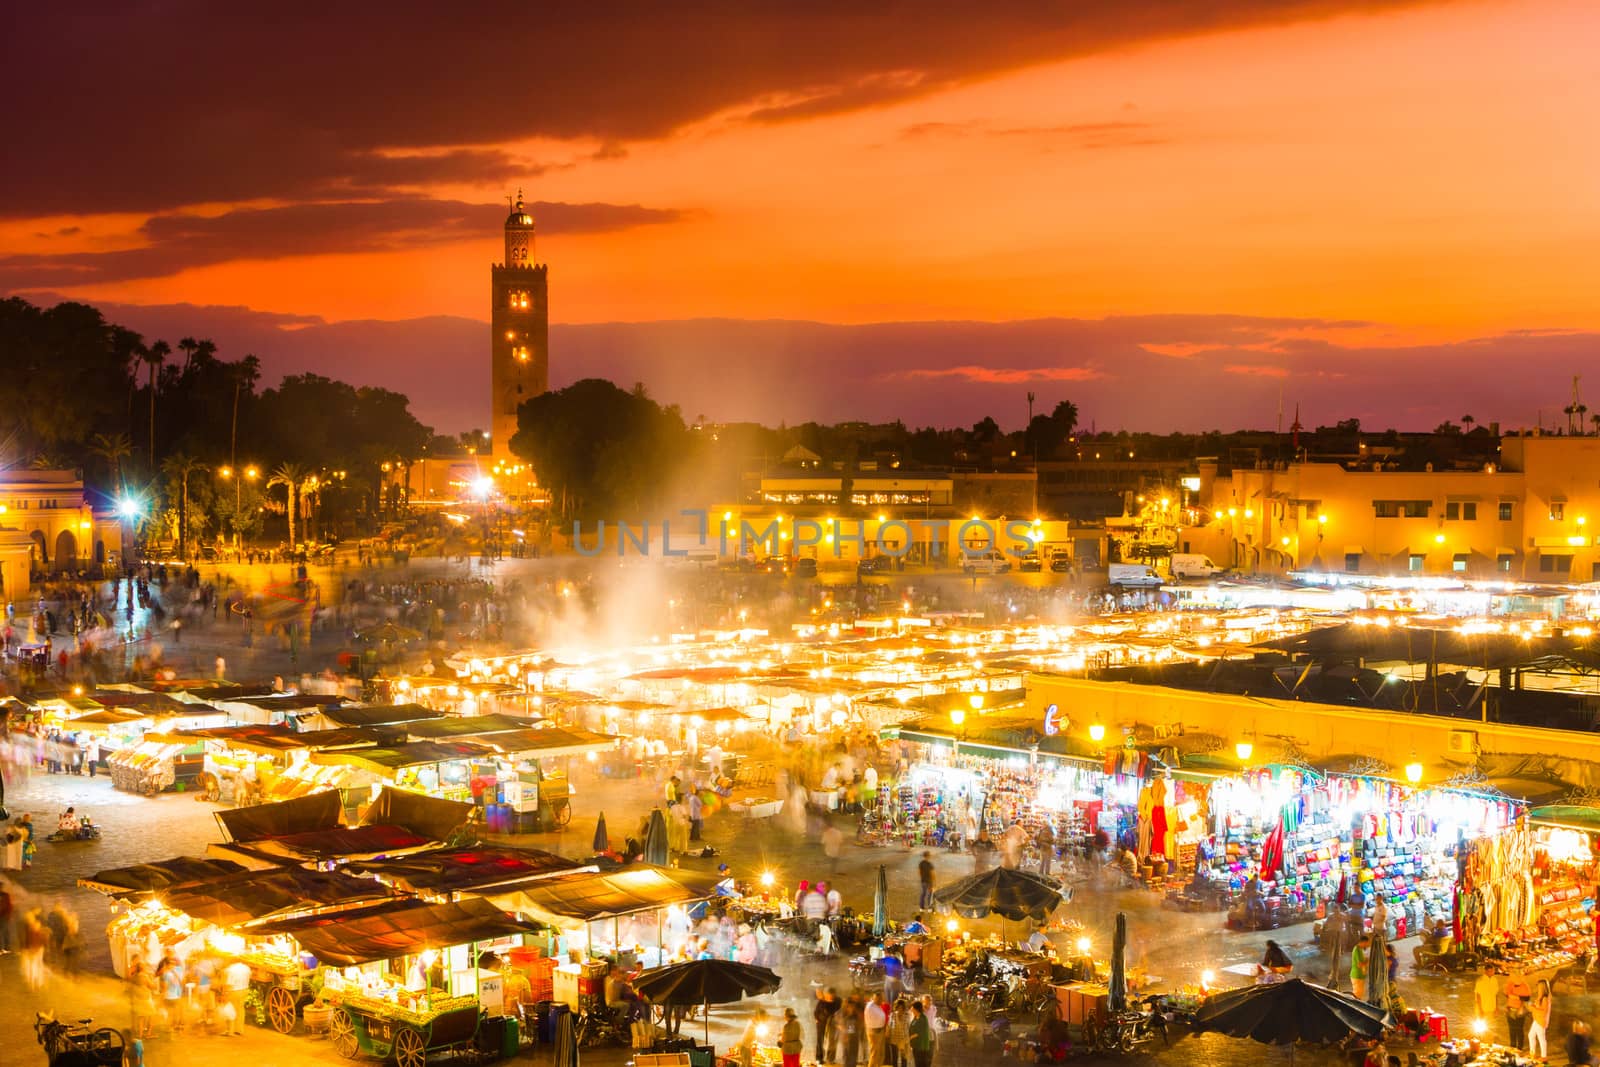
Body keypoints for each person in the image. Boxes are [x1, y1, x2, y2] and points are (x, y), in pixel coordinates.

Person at [222, 956, 252, 1036]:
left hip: (234, 991)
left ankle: (230, 1031)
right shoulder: (247, 968)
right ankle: (239, 1030)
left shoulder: (230, 970)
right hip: (244, 990)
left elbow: (228, 983)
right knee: (241, 1010)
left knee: (231, 1010)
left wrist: (225, 994)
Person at [1504, 974, 1532, 1050]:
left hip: (1520, 1011)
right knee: (1511, 1029)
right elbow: (1507, 994)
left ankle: (1519, 1047)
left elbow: (1527, 998)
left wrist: (1515, 997)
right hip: (1510, 1009)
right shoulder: (1510, 984)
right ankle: (1512, 1046)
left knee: (1519, 1029)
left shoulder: (1525, 986)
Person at [815, 987, 841, 1063]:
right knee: (820, 1040)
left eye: (832, 995)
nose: (831, 997)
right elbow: (816, 1012)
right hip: (821, 1023)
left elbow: (839, 1011)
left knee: (833, 1040)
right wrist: (817, 1019)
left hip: (834, 1023)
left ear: (835, 995)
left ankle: (831, 1058)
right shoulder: (822, 1001)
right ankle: (819, 1058)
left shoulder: (838, 1001)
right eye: (829, 995)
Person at [1529, 978, 1552, 1060]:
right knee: (1531, 1035)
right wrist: (1533, 1006)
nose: (1537, 987)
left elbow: (1544, 1011)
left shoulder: (1545, 998)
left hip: (1541, 1020)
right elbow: (1538, 1007)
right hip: (1537, 1019)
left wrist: (1533, 1008)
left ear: (1542, 987)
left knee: (1541, 1038)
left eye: (1538, 986)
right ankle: (1532, 1053)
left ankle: (1544, 1056)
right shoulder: (1540, 997)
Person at [864, 994, 889, 1067]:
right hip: (875, 1032)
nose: (881, 1000)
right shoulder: (870, 1006)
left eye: (881, 999)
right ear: (875, 998)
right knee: (875, 1053)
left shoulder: (877, 1006)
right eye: (880, 999)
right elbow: (869, 1020)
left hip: (880, 1031)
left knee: (881, 1053)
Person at [887, 999, 911, 1067]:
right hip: (894, 1039)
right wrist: (887, 1035)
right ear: (896, 1007)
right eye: (898, 1007)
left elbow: (909, 1027)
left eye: (901, 1007)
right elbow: (889, 1026)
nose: (900, 1009)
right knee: (894, 1058)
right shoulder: (892, 1014)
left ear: (904, 1007)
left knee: (904, 1058)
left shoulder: (907, 1015)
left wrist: (908, 1039)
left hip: (904, 1040)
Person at [908, 1002, 934, 1067]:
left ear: (916, 1009)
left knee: (921, 1063)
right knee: (917, 1062)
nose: (911, 1009)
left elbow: (919, 1032)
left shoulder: (923, 1018)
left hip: (921, 1046)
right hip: (915, 1045)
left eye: (912, 1008)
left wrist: (909, 1038)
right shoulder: (915, 1017)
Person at [1350, 933, 1372, 1000]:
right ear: (1364, 942)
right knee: (1357, 996)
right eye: (1367, 943)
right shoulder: (1357, 950)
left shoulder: (1360, 949)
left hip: (1359, 976)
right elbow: (1359, 965)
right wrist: (1367, 961)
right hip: (1357, 976)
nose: (1368, 945)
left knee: (1359, 994)